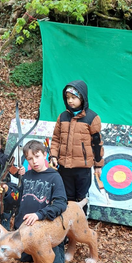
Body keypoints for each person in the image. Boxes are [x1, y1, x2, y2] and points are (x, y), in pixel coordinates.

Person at [0, 140, 68, 263]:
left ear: (45, 155)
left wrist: (39, 214)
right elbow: (17, 199)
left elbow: (61, 204)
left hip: (44, 229)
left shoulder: (55, 177)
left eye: (37, 156)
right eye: (30, 158)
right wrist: (7, 191)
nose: (34, 161)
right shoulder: (27, 176)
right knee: (23, 258)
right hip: (24, 229)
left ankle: (59, 245)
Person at [49, 80, 104, 215]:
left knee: (81, 198)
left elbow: (97, 143)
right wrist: (53, 156)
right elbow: (56, 139)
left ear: (82, 98)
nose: (70, 101)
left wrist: (98, 165)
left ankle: (81, 225)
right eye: (68, 98)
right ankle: (66, 229)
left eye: (74, 97)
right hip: (64, 168)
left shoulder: (92, 117)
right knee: (66, 198)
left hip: (83, 170)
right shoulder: (62, 116)